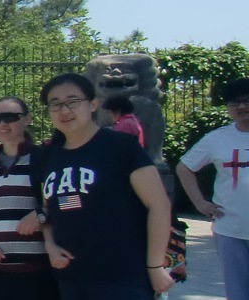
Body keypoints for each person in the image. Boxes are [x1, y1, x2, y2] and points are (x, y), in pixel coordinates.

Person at [36, 73, 175, 299]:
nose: (64, 110)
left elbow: (158, 204)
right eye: (55, 104)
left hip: (122, 278)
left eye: (73, 101)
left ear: (93, 104)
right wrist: (50, 245)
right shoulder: (49, 156)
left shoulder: (121, 147)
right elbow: (49, 210)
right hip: (71, 278)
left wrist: (155, 266)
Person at [0, 97, 59, 299]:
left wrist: (40, 216)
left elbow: (62, 204)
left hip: (38, 272)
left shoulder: (43, 159)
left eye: (9, 117)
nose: (2, 124)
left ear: (27, 119)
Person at [177, 77, 249, 300]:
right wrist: (200, 203)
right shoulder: (216, 139)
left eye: (247, 100)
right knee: (237, 293)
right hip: (230, 229)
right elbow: (184, 167)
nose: (241, 107)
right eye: (234, 102)